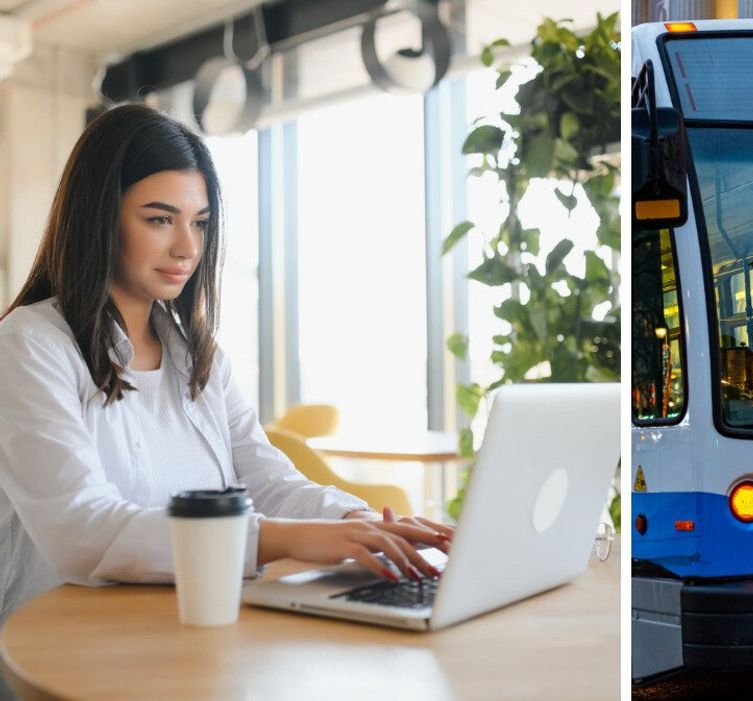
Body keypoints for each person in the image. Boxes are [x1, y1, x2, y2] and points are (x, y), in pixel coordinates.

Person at [0, 104, 451, 629]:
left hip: (194, 629)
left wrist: (357, 521)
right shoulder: (29, 346)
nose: (187, 247)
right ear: (100, 217)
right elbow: (81, 528)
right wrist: (281, 537)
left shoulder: (197, 355)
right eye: (159, 219)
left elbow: (267, 478)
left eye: (200, 223)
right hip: (66, 646)